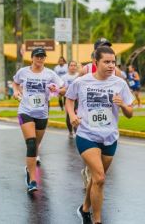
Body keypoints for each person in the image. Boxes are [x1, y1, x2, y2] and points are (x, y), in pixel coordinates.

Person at [66, 46, 134, 224]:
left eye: (113, 62)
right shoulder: (82, 82)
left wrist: (124, 105)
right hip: (87, 135)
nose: (111, 65)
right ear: (95, 63)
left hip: (110, 137)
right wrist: (72, 115)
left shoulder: (120, 84)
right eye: (107, 62)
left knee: (96, 179)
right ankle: (96, 220)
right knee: (100, 178)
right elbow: (69, 98)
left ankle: (84, 208)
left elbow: (130, 113)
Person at [12, 47, 65, 193]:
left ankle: (30, 165)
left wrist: (57, 90)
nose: (40, 59)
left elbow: (63, 88)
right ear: (32, 57)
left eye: (42, 57)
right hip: (25, 111)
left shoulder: (50, 74)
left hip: (42, 113)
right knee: (30, 143)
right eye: (37, 56)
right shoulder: (23, 72)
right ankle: (32, 179)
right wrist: (16, 91)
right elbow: (15, 82)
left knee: (35, 145)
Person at [61, 60, 79, 138]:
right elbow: (61, 88)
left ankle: (77, 131)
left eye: (74, 65)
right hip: (68, 98)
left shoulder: (79, 76)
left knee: (77, 114)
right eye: (71, 65)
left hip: (78, 99)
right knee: (69, 115)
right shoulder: (64, 77)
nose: (73, 67)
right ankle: (70, 131)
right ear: (68, 67)